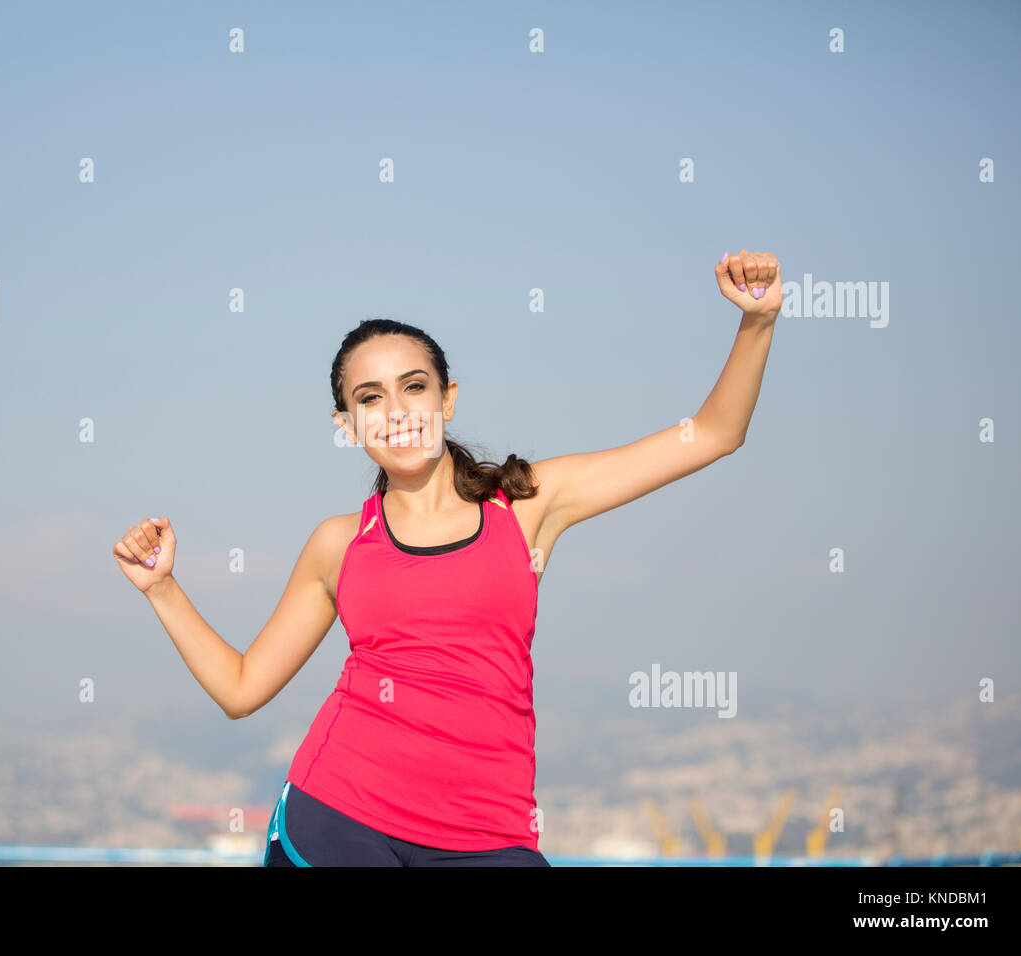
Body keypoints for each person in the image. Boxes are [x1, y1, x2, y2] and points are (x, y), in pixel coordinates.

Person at [113, 251, 782, 866]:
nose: (396, 411)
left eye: (414, 386)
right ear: (346, 426)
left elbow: (716, 433)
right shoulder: (338, 544)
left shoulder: (527, 506)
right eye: (369, 398)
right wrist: (162, 588)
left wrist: (756, 321)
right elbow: (240, 689)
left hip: (489, 838)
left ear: (448, 398)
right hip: (338, 819)